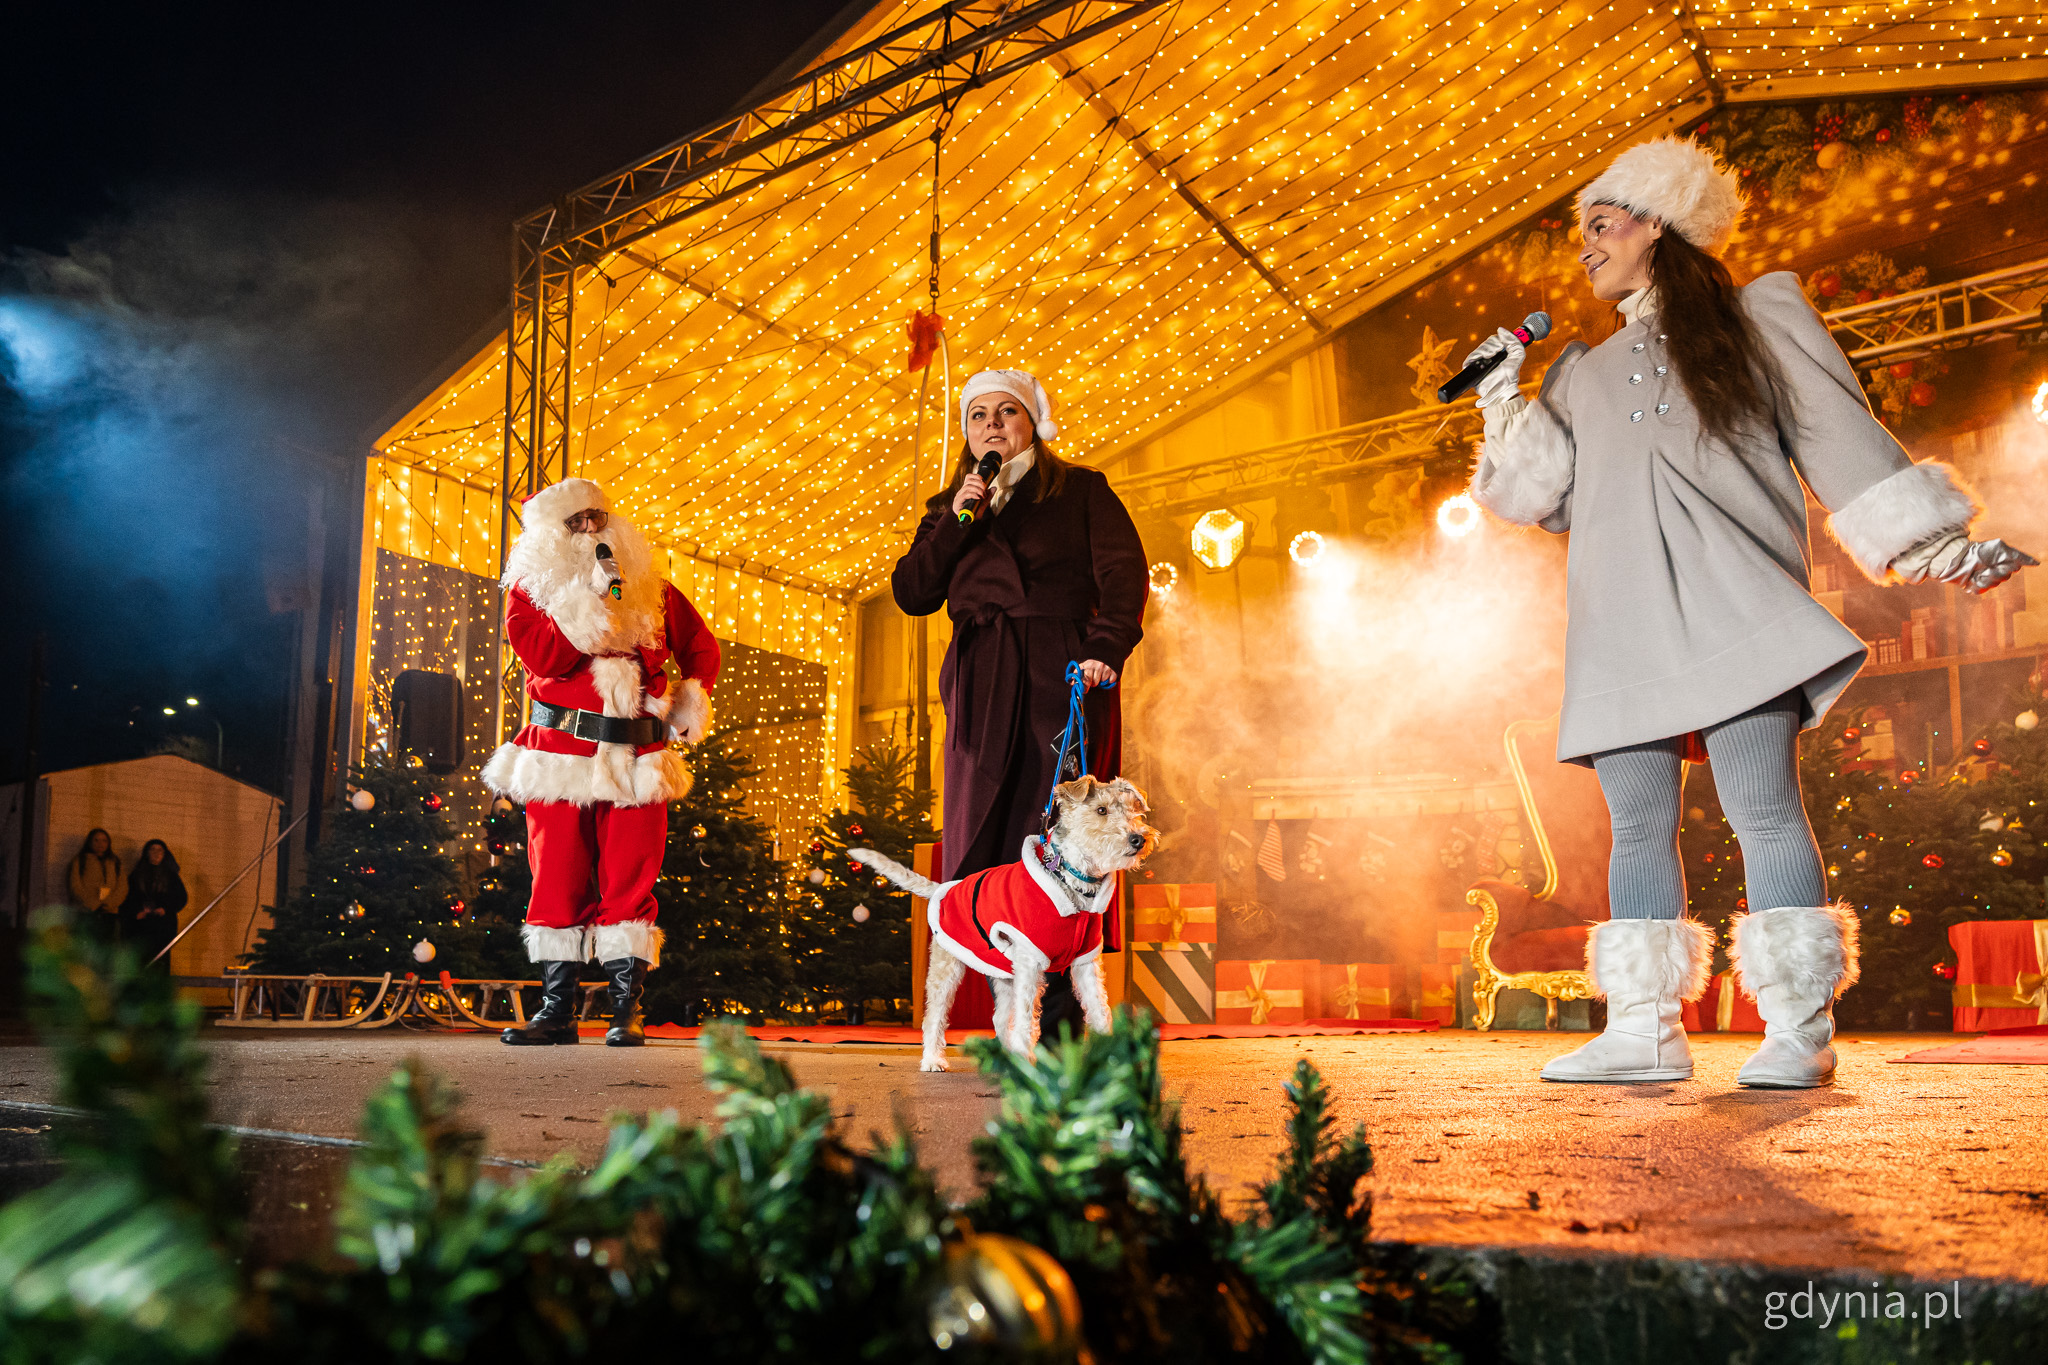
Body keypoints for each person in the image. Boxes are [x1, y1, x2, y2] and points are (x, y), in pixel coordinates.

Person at [1467, 137, 2034, 1089]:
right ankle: (1644, 1029)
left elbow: (1837, 435)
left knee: (1762, 808)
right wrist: (1498, 397)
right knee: (1635, 826)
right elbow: (1537, 498)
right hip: (1622, 618)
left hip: (1738, 603)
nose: (1585, 247)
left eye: (1601, 225)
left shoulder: (1754, 317)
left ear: (1657, 223)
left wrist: (1938, 548)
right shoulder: (1577, 372)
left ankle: (1796, 1029)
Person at [891, 369, 1147, 1035]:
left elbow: (1124, 571)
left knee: (1066, 837)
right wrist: (955, 518)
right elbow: (914, 591)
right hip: (981, 682)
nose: (993, 425)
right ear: (967, 431)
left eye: (1007, 412)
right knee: (991, 836)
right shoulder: (950, 505)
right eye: (978, 416)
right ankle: (1013, 1016)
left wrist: (1106, 645)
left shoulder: (1080, 491)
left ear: (1033, 422)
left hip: (1061, 675)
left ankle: (1060, 1027)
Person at [482, 476, 720, 1047]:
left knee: (631, 882)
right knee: (557, 879)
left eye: (598, 518)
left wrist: (693, 692)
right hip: (560, 755)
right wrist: (586, 600)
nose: (592, 530)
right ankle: (557, 1011)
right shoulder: (529, 592)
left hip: (638, 754)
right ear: (550, 533)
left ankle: (624, 1010)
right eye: (577, 522)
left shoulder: (653, 589)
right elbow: (545, 655)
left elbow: (700, 645)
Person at [122, 839, 188, 965]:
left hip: (163, 925)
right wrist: (137, 911)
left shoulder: (171, 876)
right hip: (141, 925)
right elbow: (128, 897)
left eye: (160, 850)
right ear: (147, 852)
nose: (156, 853)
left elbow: (181, 898)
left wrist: (166, 909)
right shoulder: (137, 875)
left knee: (160, 961)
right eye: (153, 849)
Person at [67, 828, 126, 938]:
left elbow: (122, 887)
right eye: (96, 840)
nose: (100, 844)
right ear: (90, 842)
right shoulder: (80, 860)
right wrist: (91, 903)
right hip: (86, 911)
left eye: (104, 841)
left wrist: (110, 903)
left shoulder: (114, 861)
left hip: (109, 912)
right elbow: (75, 885)